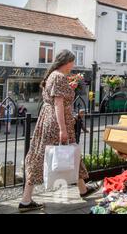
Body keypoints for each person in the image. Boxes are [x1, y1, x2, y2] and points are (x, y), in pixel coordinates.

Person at [19, 50, 98, 212]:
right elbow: (58, 104)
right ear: (67, 61)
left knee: (68, 153)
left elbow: (58, 101)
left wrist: (71, 99)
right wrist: (63, 129)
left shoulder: (53, 76)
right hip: (56, 124)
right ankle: (26, 200)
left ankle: (82, 189)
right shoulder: (59, 77)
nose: (73, 65)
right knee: (42, 156)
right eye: (73, 62)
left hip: (49, 120)